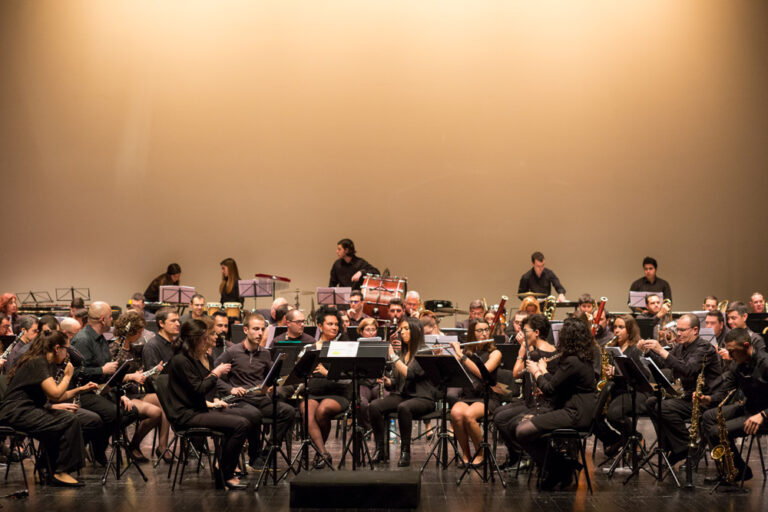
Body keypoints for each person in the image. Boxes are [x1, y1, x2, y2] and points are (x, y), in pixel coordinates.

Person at [0, 331, 98, 486]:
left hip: (27, 409)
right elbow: (55, 394)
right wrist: (67, 377)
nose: (67, 354)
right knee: (69, 419)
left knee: (65, 419)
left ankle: (48, 466)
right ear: (57, 348)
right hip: (16, 411)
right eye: (66, 349)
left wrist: (81, 389)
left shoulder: (45, 363)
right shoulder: (38, 362)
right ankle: (60, 471)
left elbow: (55, 396)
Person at [166, 318, 249, 490]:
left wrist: (215, 399)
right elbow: (199, 389)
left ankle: (222, 468)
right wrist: (215, 373)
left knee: (242, 418)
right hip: (186, 415)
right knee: (240, 425)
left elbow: (202, 389)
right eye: (204, 338)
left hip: (198, 409)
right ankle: (224, 472)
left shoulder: (193, 358)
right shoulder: (181, 361)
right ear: (194, 339)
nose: (208, 341)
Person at [515, 318, 597, 490]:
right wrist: (544, 372)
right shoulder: (580, 358)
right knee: (523, 426)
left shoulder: (572, 361)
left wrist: (536, 371)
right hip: (577, 409)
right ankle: (561, 467)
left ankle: (559, 468)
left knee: (523, 431)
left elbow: (550, 389)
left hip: (576, 413)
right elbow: (556, 383)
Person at [638, 313, 722, 465]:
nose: (679, 334)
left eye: (683, 330)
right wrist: (648, 351)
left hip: (705, 400)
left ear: (695, 330)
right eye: (678, 330)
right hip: (687, 397)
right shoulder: (681, 348)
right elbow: (665, 364)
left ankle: (688, 448)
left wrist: (661, 350)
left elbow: (688, 369)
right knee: (651, 402)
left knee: (664, 407)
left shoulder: (704, 348)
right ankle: (672, 447)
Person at [215, 312, 295, 469]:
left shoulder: (265, 353)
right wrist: (230, 389)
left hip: (260, 399)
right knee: (254, 414)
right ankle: (254, 456)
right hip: (241, 401)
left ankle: (268, 451)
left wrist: (272, 386)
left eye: (262, 329)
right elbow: (213, 376)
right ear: (245, 330)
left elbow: (271, 377)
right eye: (256, 329)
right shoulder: (232, 352)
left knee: (288, 412)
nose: (260, 333)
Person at [71, 301, 139, 466]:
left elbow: (110, 376)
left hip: (101, 390)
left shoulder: (101, 339)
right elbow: (75, 373)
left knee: (131, 411)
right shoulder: (82, 340)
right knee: (112, 414)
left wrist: (120, 394)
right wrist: (101, 370)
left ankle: (96, 443)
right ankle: (97, 447)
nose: (113, 321)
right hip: (83, 393)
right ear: (102, 320)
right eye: (110, 317)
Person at [699, 328, 768, 483]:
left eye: (732, 351)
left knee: (717, 431)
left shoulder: (765, 363)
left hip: (763, 416)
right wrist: (709, 399)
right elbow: (725, 390)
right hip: (750, 409)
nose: (729, 356)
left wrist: (763, 414)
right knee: (708, 416)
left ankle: (736, 472)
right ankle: (730, 470)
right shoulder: (738, 363)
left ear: (745, 345)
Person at [370, 317, 436, 467]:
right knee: (374, 406)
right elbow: (397, 381)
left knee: (404, 407)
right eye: (402, 329)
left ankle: (405, 451)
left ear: (417, 331)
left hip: (423, 397)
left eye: (406, 329)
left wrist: (392, 356)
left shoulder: (425, 351)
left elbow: (410, 374)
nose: (403, 332)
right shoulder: (402, 353)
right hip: (403, 395)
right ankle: (381, 449)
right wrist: (388, 381)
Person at [493, 314, 557, 469]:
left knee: (501, 418)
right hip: (531, 400)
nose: (522, 334)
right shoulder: (554, 350)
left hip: (537, 404)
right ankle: (519, 455)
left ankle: (522, 456)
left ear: (536, 332)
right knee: (499, 413)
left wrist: (522, 351)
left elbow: (515, 373)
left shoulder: (534, 354)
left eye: (526, 330)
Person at [109, 311, 167, 462]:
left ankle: (162, 446)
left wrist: (153, 370)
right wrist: (133, 376)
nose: (141, 335)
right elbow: (110, 379)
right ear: (131, 332)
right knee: (155, 413)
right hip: (118, 394)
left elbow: (139, 374)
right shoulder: (113, 349)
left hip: (133, 392)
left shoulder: (134, 349)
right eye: (139, 332)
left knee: (164, 400)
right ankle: (133, 446)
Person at [301, 306, 351, 468]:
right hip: (314, 392)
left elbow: (348, 380)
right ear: (320, 326)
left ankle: (319, 453)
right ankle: (323, 453)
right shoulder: (310, 349)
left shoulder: (344, 348)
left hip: (338, 393)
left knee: (323, 410)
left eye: (336, 324)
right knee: (306, 410)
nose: (334, 327)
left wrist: (325, 372)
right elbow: (300, 375)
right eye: (330, 324)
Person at [595, 315, 651, 457]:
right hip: (619, 391)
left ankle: (636, 437)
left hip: (637, 392)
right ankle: (619, 440)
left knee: (614, 414)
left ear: (630, 330)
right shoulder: (613, 349)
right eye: (615, 327)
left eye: (621, 327)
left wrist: (619, 373)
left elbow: (643, 375)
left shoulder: (635, 349)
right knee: (594, 412)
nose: (617, 331)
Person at [450, 319, 502, 466]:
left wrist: (462, 357)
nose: (484, 333)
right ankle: (466, 455)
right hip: (468, 396)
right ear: (472, 334)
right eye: (480, 330)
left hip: (487, 396)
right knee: (456, 414)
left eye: (486, 330)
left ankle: (481, 453)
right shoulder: (466, 352)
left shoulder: (495, 353)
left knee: (469, 415)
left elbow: (482, 373)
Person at [142, 307, 181, 372]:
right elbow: (152, 377)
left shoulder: (178, 343)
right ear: (161, 323)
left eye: (178, 320)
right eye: (173, 321)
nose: (178, 324)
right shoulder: (151, 347)